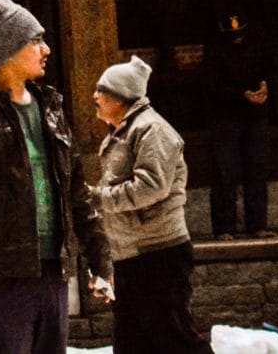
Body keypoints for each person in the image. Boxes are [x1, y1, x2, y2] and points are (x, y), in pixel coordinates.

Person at [0, 0, 111, 354]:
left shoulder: (51, 108)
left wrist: (101, 261)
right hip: (2, 278)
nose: (46, 49)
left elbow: (77, 193)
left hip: (53, 273)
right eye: (36, 41)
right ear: (8, 49)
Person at [92, 56, 205, 354]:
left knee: (175, 338)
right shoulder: (123, 132)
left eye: (102, 91)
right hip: (131, 253)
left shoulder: (152, 131)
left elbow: (151, 187)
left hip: (158, 253)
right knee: (132, 343)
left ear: (122, 97)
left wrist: (97, 198)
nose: (95, 97)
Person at [203, 10, 270, 239]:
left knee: (257, 168)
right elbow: (211, 86)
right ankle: (223, 227)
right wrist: (241, 95)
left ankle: (258, 223)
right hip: (225, 116)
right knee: (225, 172)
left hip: (255, 115)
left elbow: (270, 70)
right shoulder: (215, 49)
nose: (238, 38)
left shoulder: (258, 42)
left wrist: (264, 89)